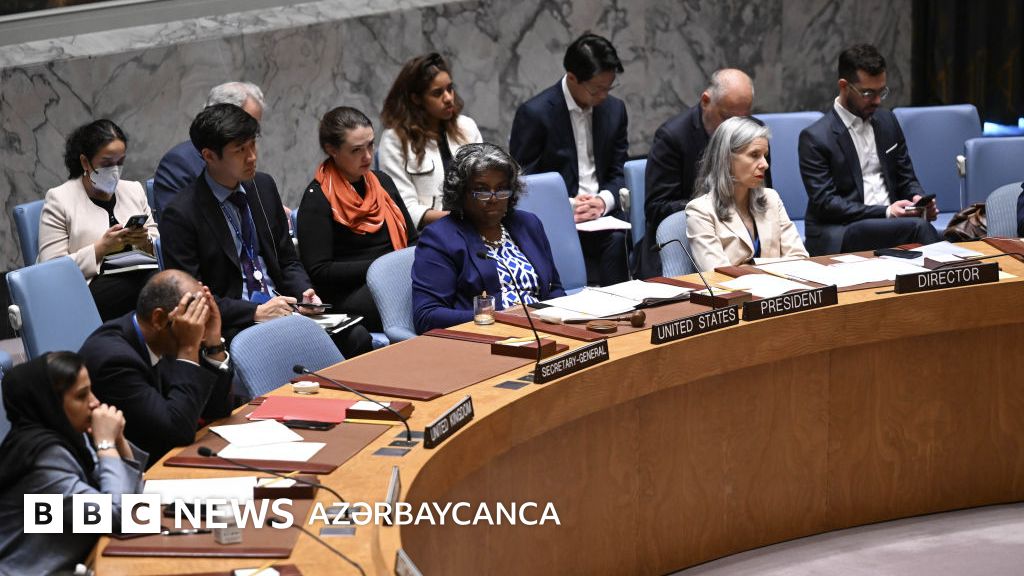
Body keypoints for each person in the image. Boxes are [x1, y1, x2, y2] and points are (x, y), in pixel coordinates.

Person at [159, 104, 373, 357]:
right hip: (236, 322)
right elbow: (191, 297)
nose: (252, 157)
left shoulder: (262, 186)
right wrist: (255, 312)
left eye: (253, 145)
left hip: (284, 309)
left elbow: (287, 259)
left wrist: (303, 293)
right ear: (209, 156)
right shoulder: (181, 214)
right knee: (283, 353)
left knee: (357, 337)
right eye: (240, 150)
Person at [0, 352, 147, 574]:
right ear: (50, 404)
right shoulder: (42, 458)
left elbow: (131, 501)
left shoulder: (69, 437)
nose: (95, 402)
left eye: (91, 391)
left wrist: (118, 440)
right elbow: (116, 516)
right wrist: (106, 444)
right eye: (81, 396)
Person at [509, 32, 629, 286]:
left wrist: (602, 201)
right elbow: (524, 183)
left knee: (620, 239)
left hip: (604, 216)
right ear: (572, 78)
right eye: (597, 89)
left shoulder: (614, 110)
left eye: (609, 87)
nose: (604, 96)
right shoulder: (535, 114)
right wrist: (570, 205)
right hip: (559, 218)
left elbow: (619, 170)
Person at [799, 44, 941, 255]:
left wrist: (918, 201)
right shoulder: (815, 138)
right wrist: (886, 212)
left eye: (881, 92)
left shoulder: (887, 121)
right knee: (918, 229)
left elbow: (906, 178)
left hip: (892, 223)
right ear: (844, 86)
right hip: (843, 228)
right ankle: (952, 269)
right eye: (868, 93)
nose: (877, 100)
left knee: (923, 227)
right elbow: (827, 204)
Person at [79, 270, 233, 464]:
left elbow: (217, 410)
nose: (199, 333)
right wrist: (188, 348)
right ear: (159, 319)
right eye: (194, 320)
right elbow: (177, 432)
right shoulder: (114, 362)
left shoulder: (164, 334)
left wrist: (214, 344)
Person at [412, 143, 565, 333]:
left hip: (543, 330)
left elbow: (554, 288)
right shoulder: (440, 238)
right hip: (488, 336)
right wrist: (496, 317)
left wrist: (560, 320)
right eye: (482, 190)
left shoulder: (528, 224)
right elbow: (426, 316)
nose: (493, 198)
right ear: (461, 192)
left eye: (502, 189)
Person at [298, 107, 418, 332]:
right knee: (412, 303)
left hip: (398, 277)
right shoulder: (317, 199)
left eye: (371, 145)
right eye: (356, 150)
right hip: (351, 291)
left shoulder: (382, 182)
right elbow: (320, 271)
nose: (368, 156)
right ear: (332, 150)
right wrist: (382, 267)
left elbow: (412, 240)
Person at [641, 69, 768, 277]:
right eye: (727, 117)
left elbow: (762, 194)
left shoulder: (754, 133)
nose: (735, 128)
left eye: (744, 117)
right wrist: (716, 204)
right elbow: (657, 208)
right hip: (685, 241)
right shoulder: (672, 137)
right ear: (706, 101)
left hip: (747, 242)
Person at [38, 119, 159, 321]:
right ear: (85, 162)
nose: (115, 170)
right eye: (107, 163)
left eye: (120, 162)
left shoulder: (133, 190)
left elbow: (158, 244)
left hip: (140, 275)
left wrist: (145, 243)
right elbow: (51, 270)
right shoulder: (59, 199)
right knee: (159, 288)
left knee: (164, 282)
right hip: (91, 287)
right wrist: (101, 248)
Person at [685, 117, 808, 272]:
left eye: (765, 155)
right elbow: (716, 275)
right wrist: (773, 266)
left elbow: (800, 258)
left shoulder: (771, 198)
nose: (765, 164)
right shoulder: (701, 210)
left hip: (780, 288)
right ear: (726, 158)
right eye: (754, 155)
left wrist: (750, 266)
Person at [379, 53, 483, 229]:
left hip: (475, 227)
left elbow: (485, 182)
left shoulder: (467, 126)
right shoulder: (395, 140)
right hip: (427, 235)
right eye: (437, 93)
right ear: (416, 99)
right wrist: (456, 219)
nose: (448, 98)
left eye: (450, 88)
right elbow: (403, 208)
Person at [153, 82, 266, 216]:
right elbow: (174, 222)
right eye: (245, 121)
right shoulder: (177, 163)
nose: (252, 157)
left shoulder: (262, 181)